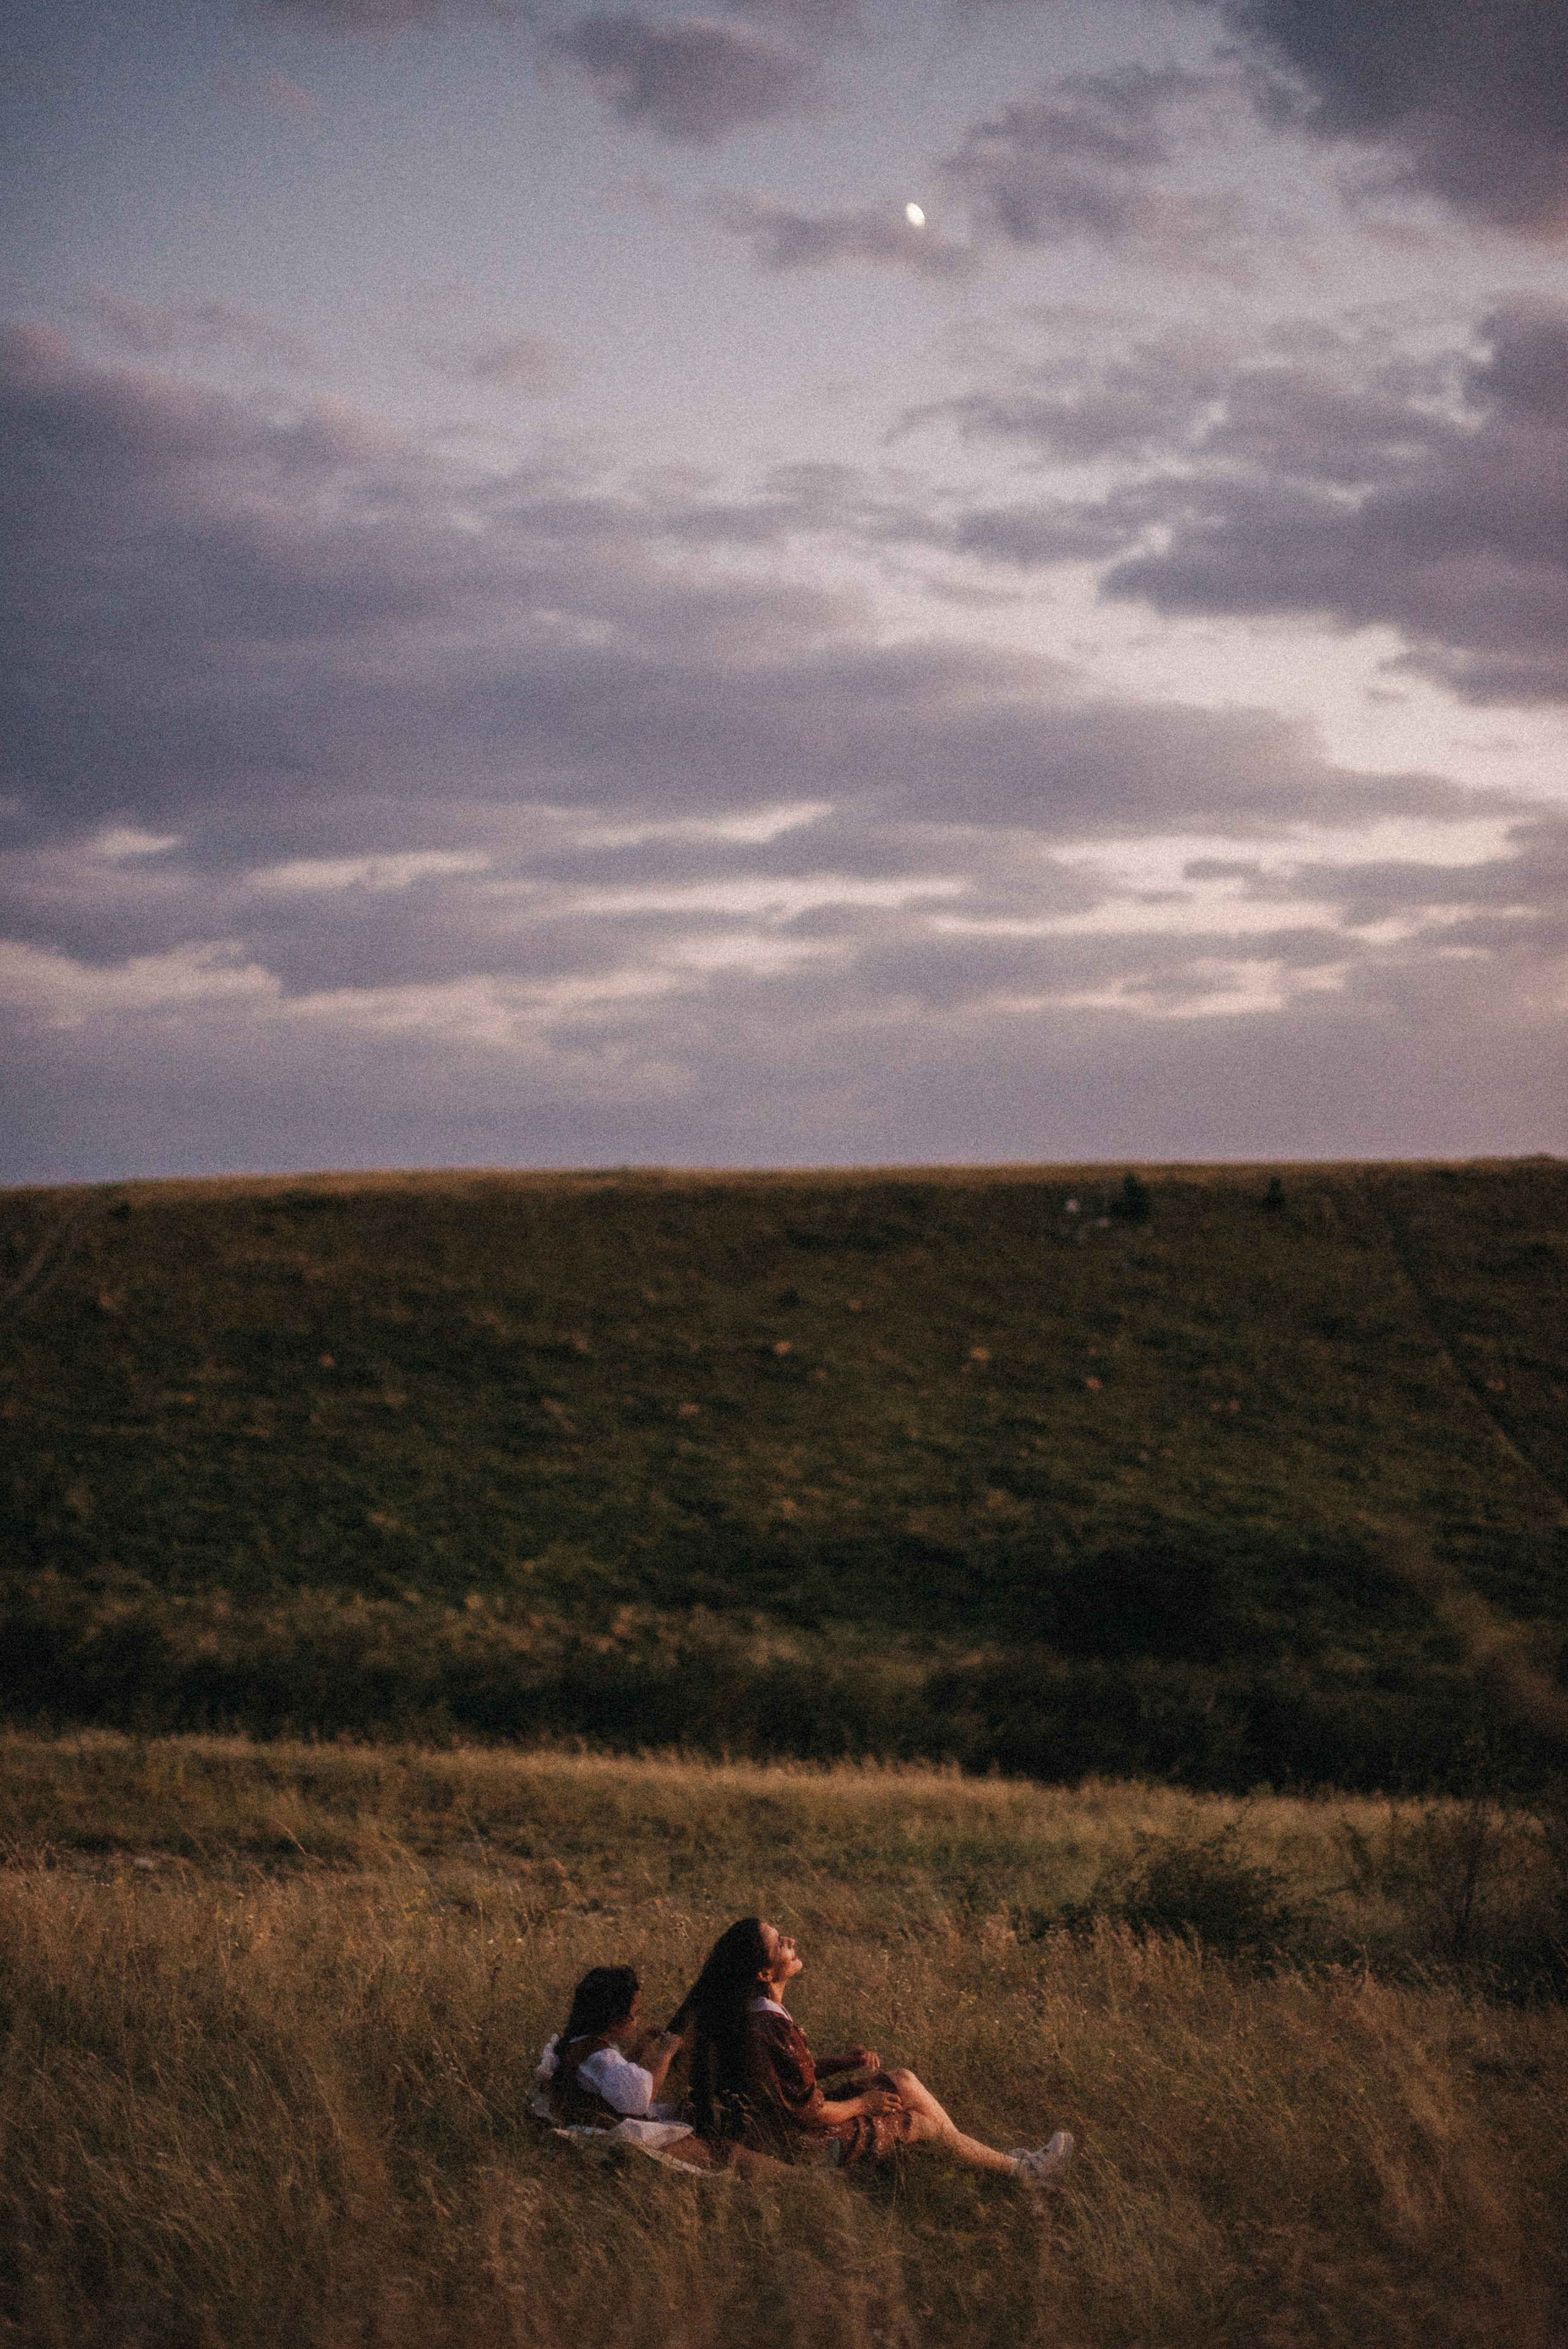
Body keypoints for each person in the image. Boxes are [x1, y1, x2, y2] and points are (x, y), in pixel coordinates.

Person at [668, 1918, 1074, 2185]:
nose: (789, 1939)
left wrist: (842, 2063)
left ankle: (998, 2164)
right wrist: (866, 2102)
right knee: (919, 2123)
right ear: (763, 1972)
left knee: (903, 2079)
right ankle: (1019, 2171)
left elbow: (785, 2080)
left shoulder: (757, 2015)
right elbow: (809, 2110)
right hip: (800, 2142)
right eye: (779, 1942)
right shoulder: (767, 2025)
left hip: (789, 2124)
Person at [533, 1963, 710, 2163]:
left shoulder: (579, 2043)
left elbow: (615, 2080)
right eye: (636, 2013)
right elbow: (644, 2096)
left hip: (591, 2121)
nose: (638, 2020)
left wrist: (642, 2045)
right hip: (611, 2131)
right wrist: (666, 2054)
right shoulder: (604, 2058)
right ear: (615, 2021)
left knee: (682, 2110)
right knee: (698, 2142)